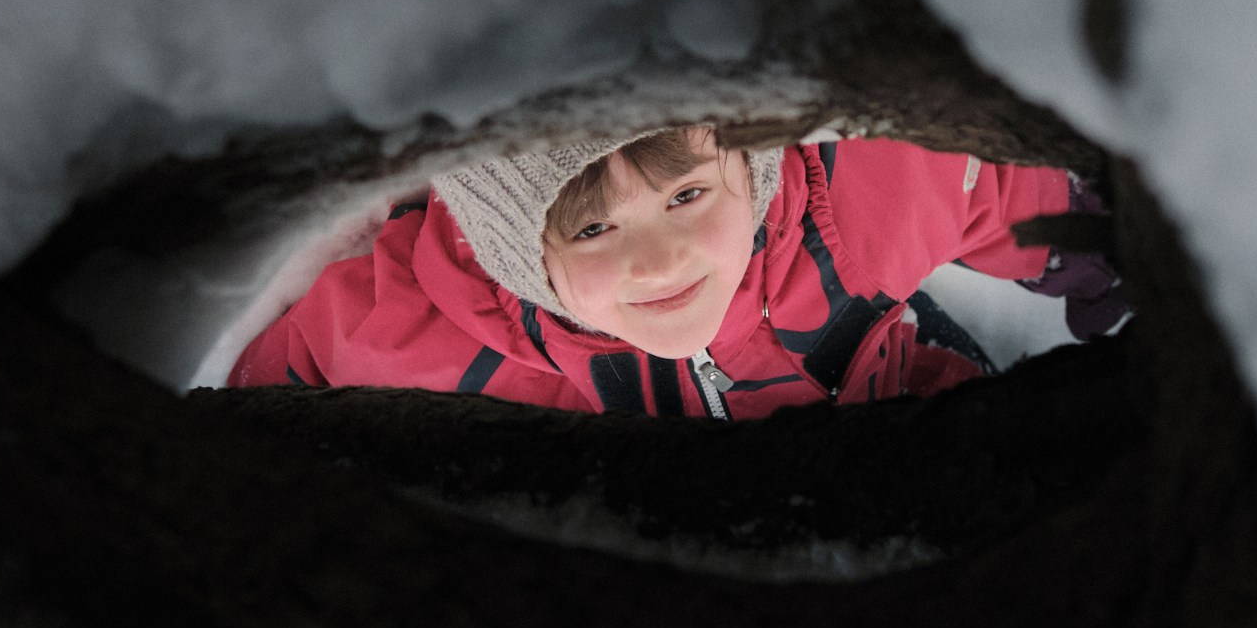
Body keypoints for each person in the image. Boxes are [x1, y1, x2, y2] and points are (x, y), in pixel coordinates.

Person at [227, 127, 1128, 418]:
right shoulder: (425, 335)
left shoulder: (860, 195)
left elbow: (1005, 187)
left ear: (752, 164)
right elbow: (284, 383)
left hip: (880, 398)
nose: (656, 260)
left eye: (689, 196)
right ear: (514, 251)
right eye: (592, 228)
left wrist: (1100, 259)